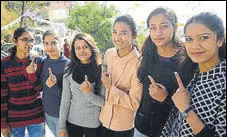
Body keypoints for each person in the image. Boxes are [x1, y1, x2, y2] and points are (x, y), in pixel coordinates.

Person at [134, 7, 196, 137]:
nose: (158, 33)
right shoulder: (147, 54)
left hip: (169, 130)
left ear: (174, 27)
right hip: (141, 127)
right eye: (153, 28)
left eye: (164, 26)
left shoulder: (188, 60)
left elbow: (190, 102)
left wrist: (166, 98)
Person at [169, 12, 226, 137]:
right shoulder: (191, 71)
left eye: (204, 37)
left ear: (220, 40)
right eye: (189, 39)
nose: (195, 46)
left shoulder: (223, 83)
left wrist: (186, 109)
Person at [100, 14, 142, 137]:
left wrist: (111, 88)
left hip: (123, 126)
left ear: (134, 36)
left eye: (123, 33)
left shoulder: (139, 63)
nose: (117, 38)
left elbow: (135, 103)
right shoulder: (108, 53)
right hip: (103, 119)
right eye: (114, 32)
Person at [1, 27, 45, 137]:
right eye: (24, 39)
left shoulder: (38, 61)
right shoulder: (4, 64)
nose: (29, 43)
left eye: (31, 40)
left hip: (36, 116)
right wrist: (2, 124)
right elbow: (2, 96)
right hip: (15, 119)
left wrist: (32, 75)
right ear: (15, 41)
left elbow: (40, 89)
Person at [58, 33, 104, 137]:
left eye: (85, 47)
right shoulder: (68, 70)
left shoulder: (101, 70)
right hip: (72, 123)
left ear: (92, 48)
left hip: (93, 125)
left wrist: (89, 94)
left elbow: (103, 102)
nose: (82, 51)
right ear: (73, 51)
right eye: (78, 48)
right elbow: (65, 101)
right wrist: (61, 126)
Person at [41, 30, 70, 137]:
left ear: (61, 43)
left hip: (62, 115)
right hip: (47, 112)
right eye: (46, 43)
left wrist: (55, 86)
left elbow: (70, 93)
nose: (50, 47)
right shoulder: (43, 62)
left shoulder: (67, 64)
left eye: (53, 43)